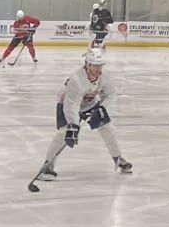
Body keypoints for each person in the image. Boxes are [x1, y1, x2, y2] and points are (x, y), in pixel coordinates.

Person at [30, 48, 131, 189]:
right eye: (95, 66)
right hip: (66, 103)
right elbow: (71, 105)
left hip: (90, 102)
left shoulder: (105, 75)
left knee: (107, 128)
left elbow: (110, 94)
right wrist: (73, 125)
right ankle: (47, 166)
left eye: (101, 65)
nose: (99, 69)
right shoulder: (76, 80)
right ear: (87, 65)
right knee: (63, 133)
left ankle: (118, 159)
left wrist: (101, 108)